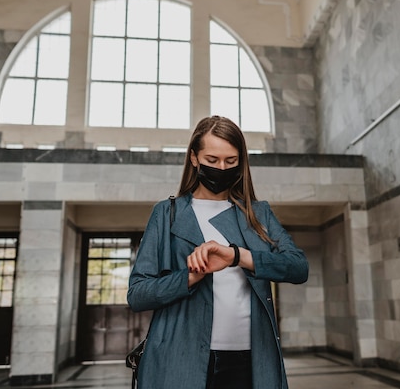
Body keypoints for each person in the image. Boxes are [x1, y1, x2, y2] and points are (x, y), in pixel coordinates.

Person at [127, 115, 309, 389]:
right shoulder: (166, 214)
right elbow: (138, 294)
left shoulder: (258, 214)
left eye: (231, 161)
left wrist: (237, 256)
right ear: (194, 158)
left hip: (251, 360)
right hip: (180, 357)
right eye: (212, 160)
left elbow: (298, 267)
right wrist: (190, 276)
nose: (221, 168)